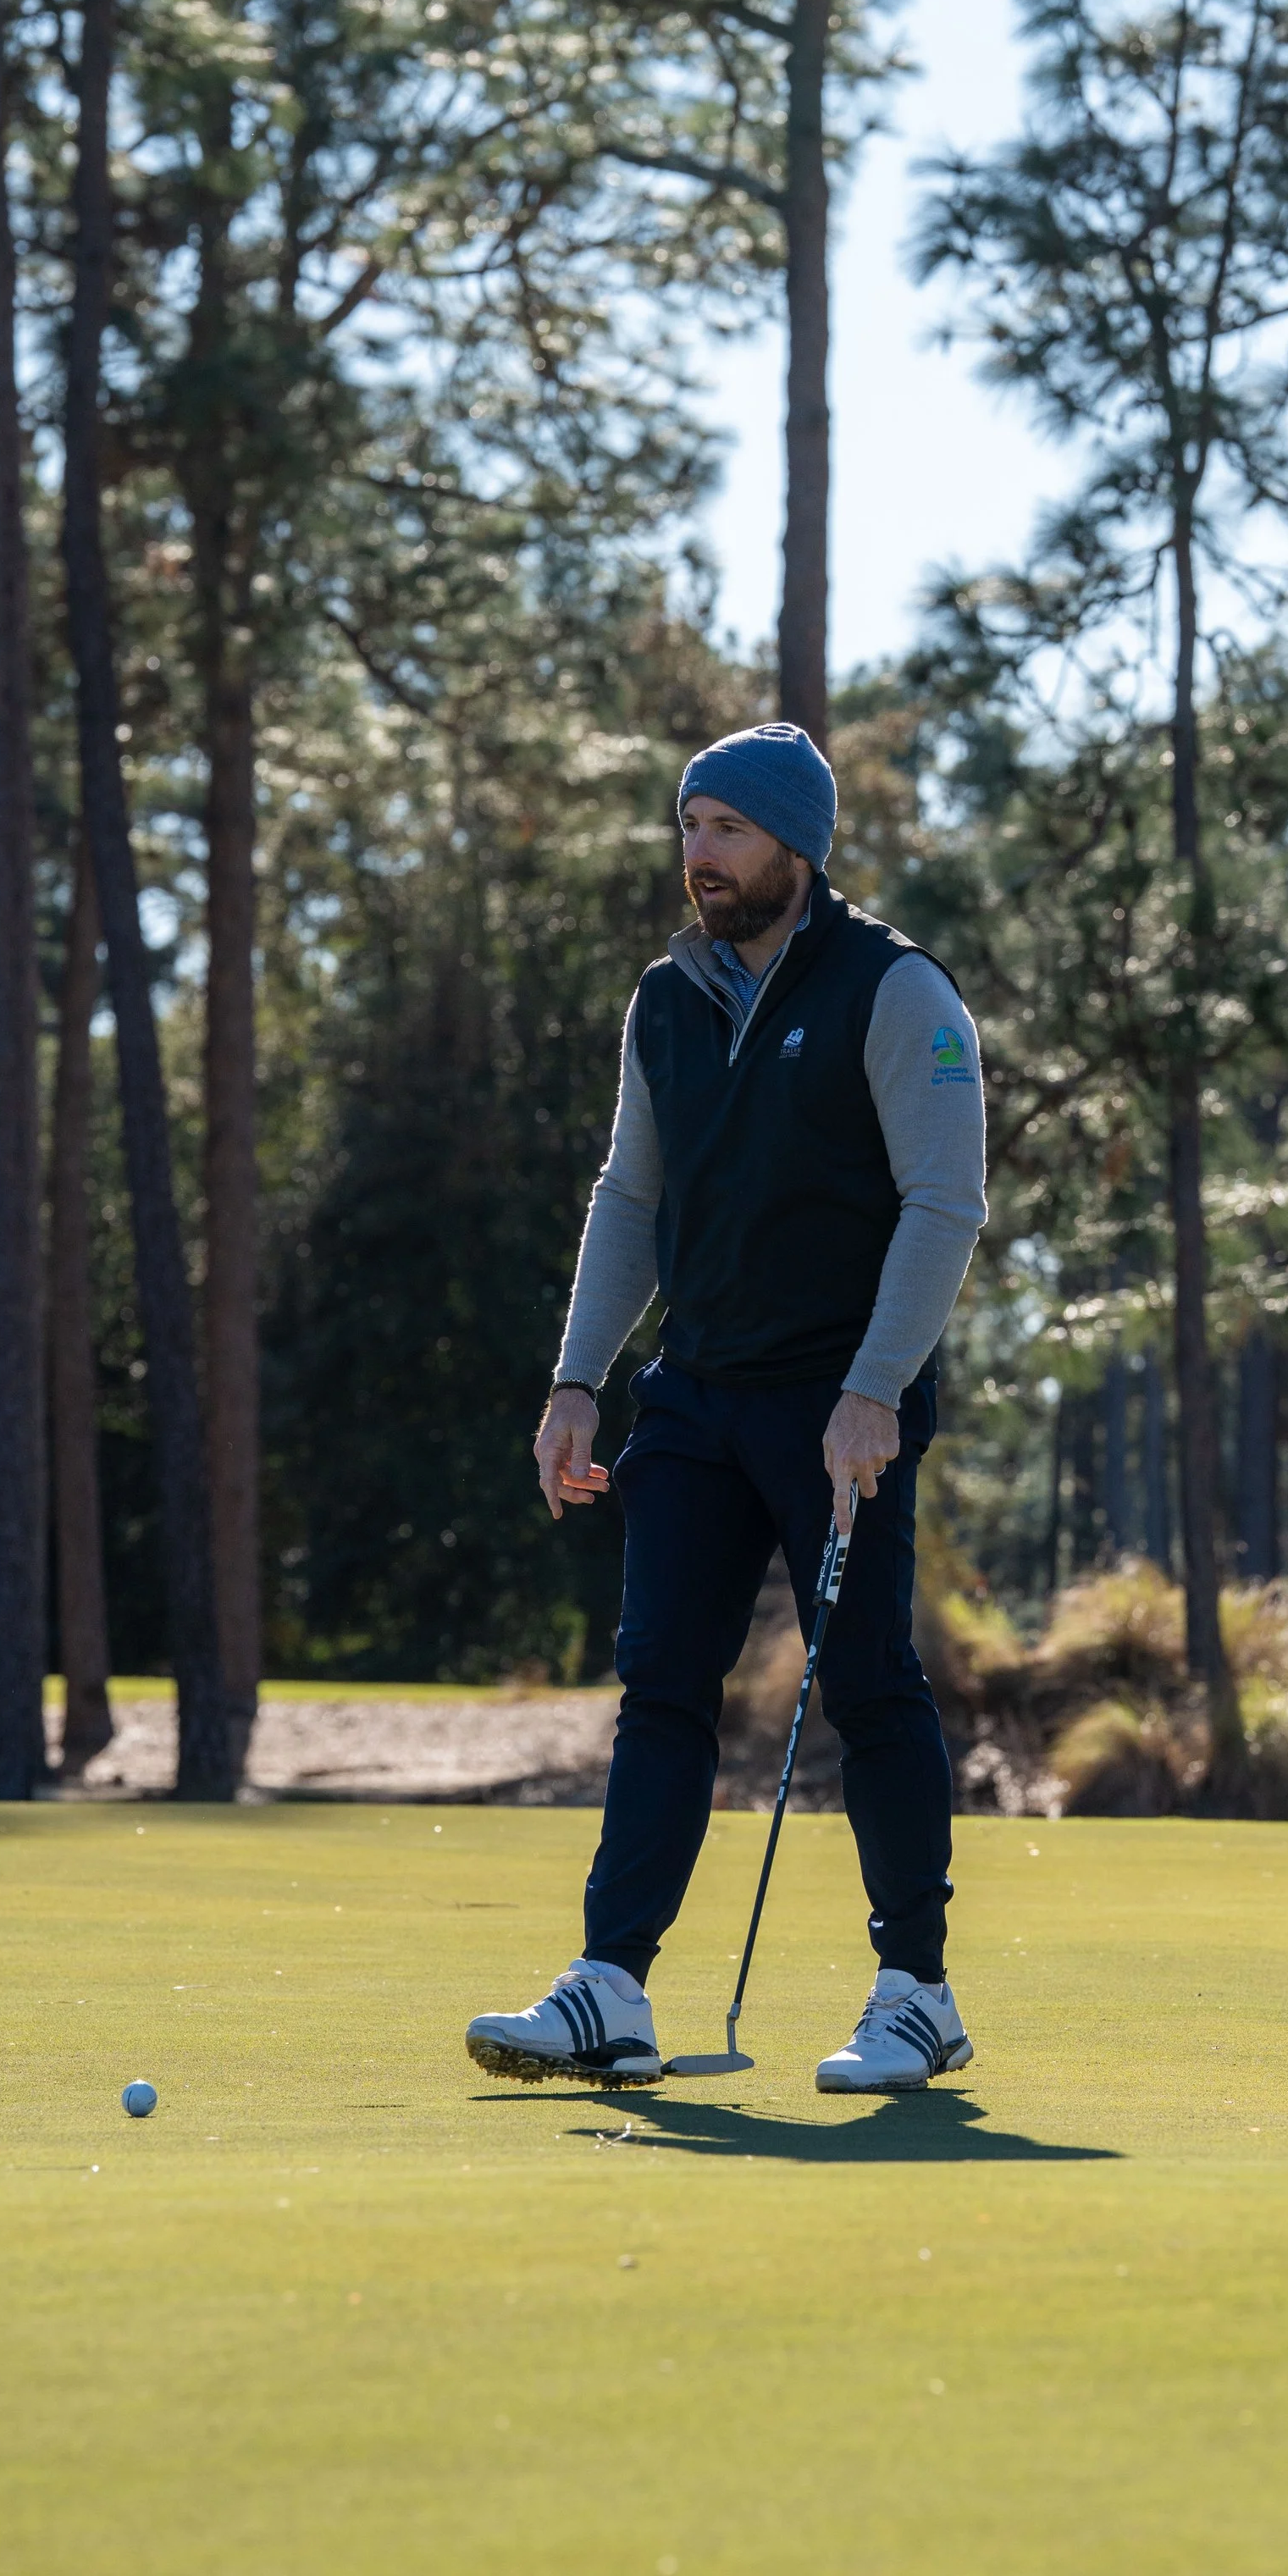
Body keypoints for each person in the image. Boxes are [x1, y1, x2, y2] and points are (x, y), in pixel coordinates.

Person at [466, 721, 987, 2094]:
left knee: (867, 1684)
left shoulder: (897, 990)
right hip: (693, 1392)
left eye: (728, 831)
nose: (699, 856)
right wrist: (580, 1376)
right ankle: (610, 1985)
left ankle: (916, 1989)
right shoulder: (666, 998)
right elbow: (631, 1195)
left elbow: (947, 1204)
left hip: (836, 1404)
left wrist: (876, 1387)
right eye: (688, 827)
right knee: (662, 1688)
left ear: (795, 849)